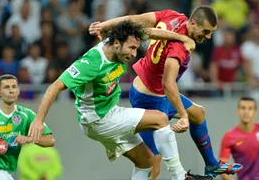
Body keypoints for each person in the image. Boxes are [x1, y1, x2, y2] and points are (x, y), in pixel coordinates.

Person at [28, 20, 210, 180]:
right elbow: (55, 86)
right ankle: (179, 176)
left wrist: (182, 39)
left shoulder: (120, 41)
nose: (133, 54)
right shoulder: (91, 63)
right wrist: (38, 120)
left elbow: (150, 31)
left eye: (136, 49)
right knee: (160, 118)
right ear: (116, 43)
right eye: (131, 48)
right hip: (99, 119)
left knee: (146, 161)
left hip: (105, 116)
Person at [88, 6, 243, 178]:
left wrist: (105, 24)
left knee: (198, 113)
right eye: (206, 31)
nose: (208, 36)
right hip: (149, 100)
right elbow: (168, 84)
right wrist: (183, 116)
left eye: (212, 32)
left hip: (148, 90)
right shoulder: (179, 48)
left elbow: (135, 18)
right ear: (192, 23)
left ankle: (212, 165)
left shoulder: (173, 16)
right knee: (152, 165)